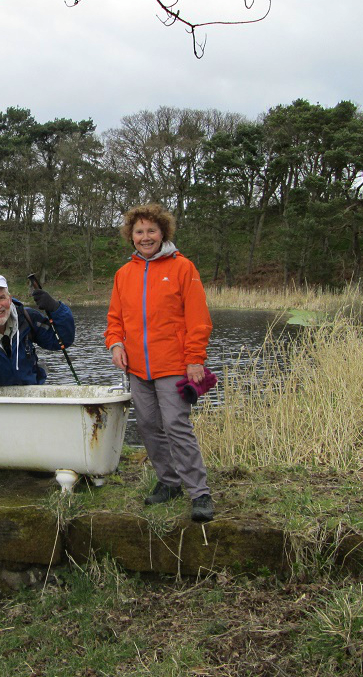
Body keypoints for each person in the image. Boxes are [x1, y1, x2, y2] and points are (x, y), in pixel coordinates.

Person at [104, 204, 216, 522]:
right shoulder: (124, 274)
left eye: (151, 230)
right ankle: (169, 483)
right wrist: (115, 344)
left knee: (177, 426)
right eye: (139, 231)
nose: (145, 236)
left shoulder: (183, 268)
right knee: (150, 427)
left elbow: (198, 319)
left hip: (174, 366)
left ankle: (199, 493)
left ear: (163, 232)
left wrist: (195, 360)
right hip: (138, 369)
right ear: (131, 236)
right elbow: (114, 320)